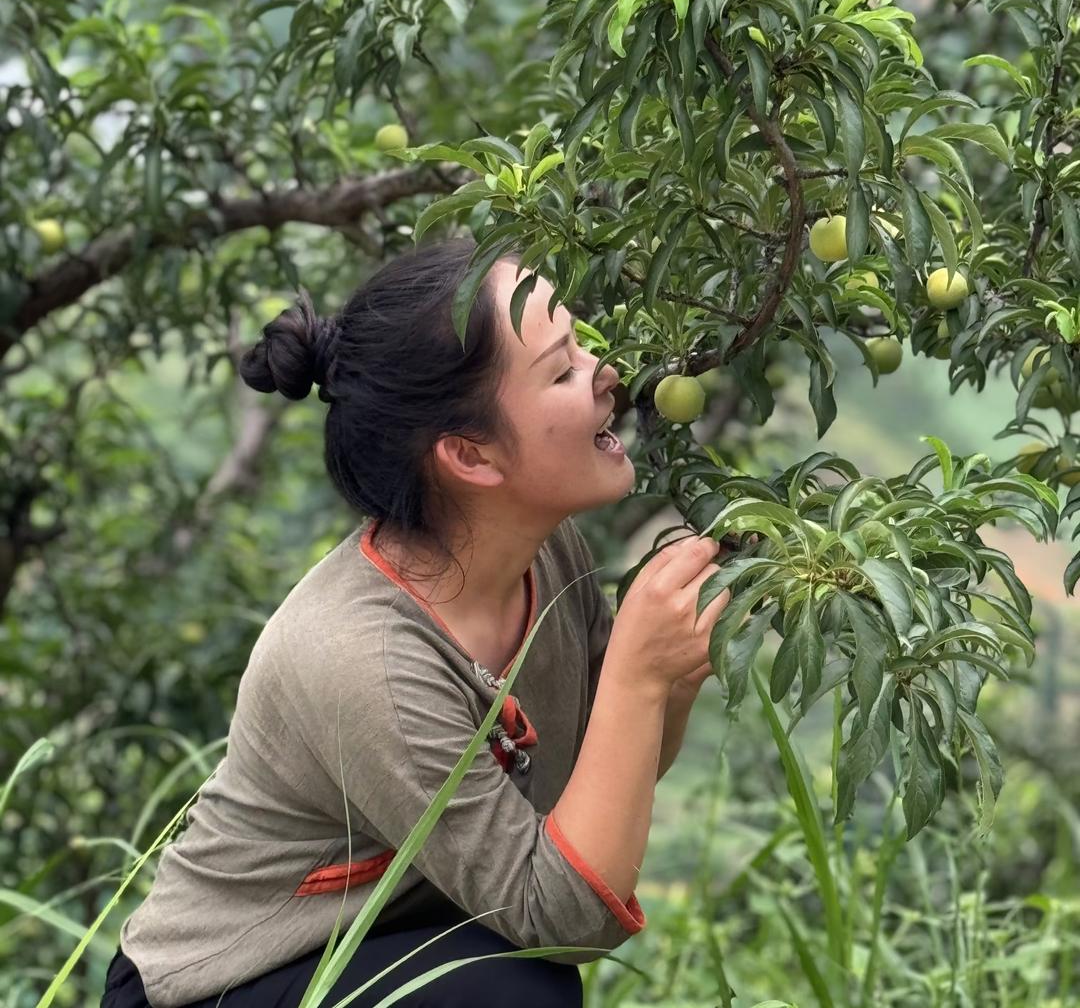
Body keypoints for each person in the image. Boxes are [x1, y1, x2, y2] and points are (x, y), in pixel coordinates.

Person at [100, 236, 732, 1007]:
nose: (607, 378)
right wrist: (642, 672)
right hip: (224, 984)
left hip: (383, 940)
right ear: (470, 455)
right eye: (561, 370)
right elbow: (567, 916)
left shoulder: (544, 549)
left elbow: (604, 776)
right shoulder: (366, 658)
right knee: (515, 994)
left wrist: (673, 677)